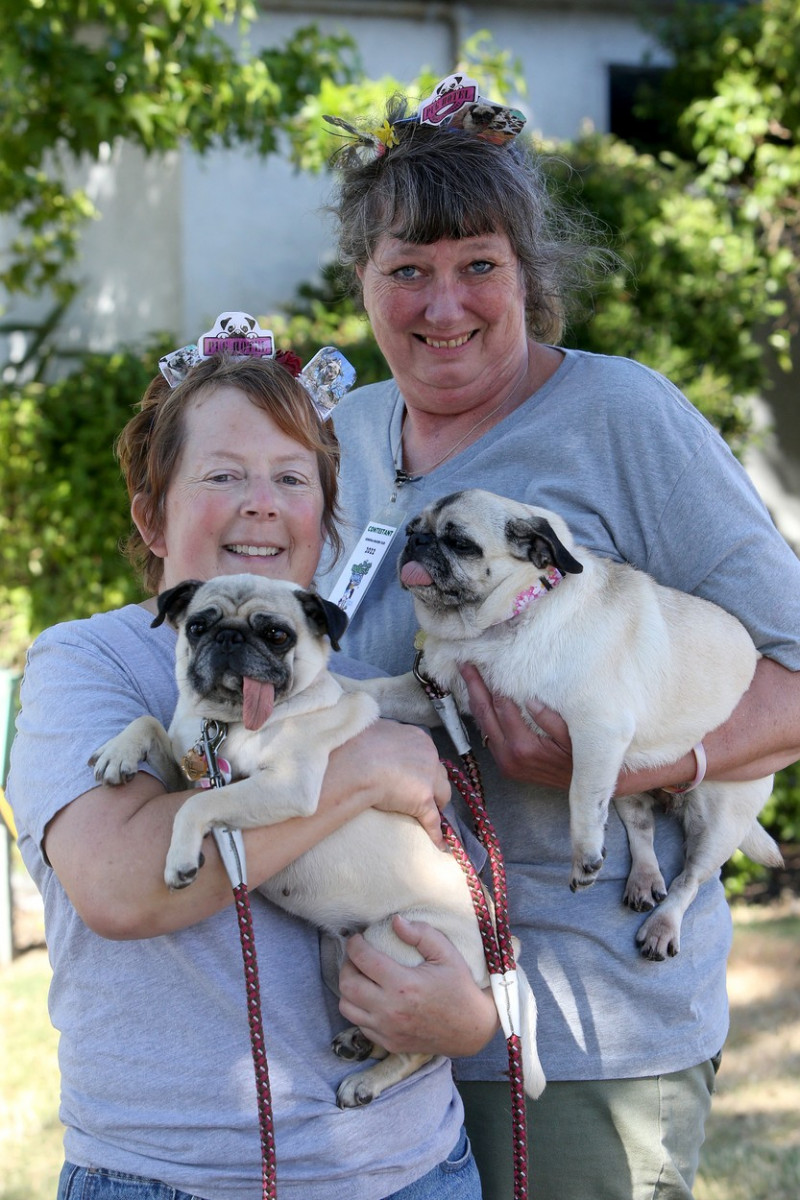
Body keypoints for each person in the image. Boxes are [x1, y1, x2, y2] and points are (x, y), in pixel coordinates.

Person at [317, 76, 800, 1198]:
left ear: (529, 275)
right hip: (363, 1015)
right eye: (407, 272)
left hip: (578, 1034)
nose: (443, 306)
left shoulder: (618, 417)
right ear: (362, 283)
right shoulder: (340, 433)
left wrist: (641, 761)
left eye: (478, 265)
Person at [7, 346, 493, 1199]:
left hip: (410, 1164)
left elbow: (450, 889)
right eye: (224, 476)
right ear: (152, 519)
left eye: (292, 480)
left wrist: (472, 1019)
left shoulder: (351, 663)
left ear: (329, 519)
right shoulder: (87, 661)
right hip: (176, 1176)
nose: (262, 503)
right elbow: (123, 887)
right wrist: (362, 769)